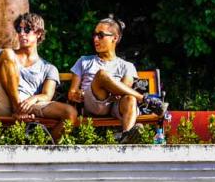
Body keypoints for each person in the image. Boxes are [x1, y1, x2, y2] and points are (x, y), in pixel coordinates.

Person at [0, 13, 77, 142]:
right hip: (4, 103)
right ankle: (18, 108)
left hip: (28, 105)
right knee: (7, 53)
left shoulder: (49, 68)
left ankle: (46, 148)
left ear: (39, 33)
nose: (22, 33)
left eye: (27, 30)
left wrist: (32, 99)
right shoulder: (1, 55)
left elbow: (47, 95)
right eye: (19, 29)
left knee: (71, 113)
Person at [66, 15, 165, 143]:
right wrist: (76, 95)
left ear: (115, 38)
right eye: (94, 35)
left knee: (130, 98)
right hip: (93, 103)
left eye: (101, 35)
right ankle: (145, 100)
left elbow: (124, 91)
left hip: (114, 106)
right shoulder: (84, 61)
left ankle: (127, 136)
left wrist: (114, 90)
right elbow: (71, 92)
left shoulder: (127, 66)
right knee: (101, 74)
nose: (95, 39)